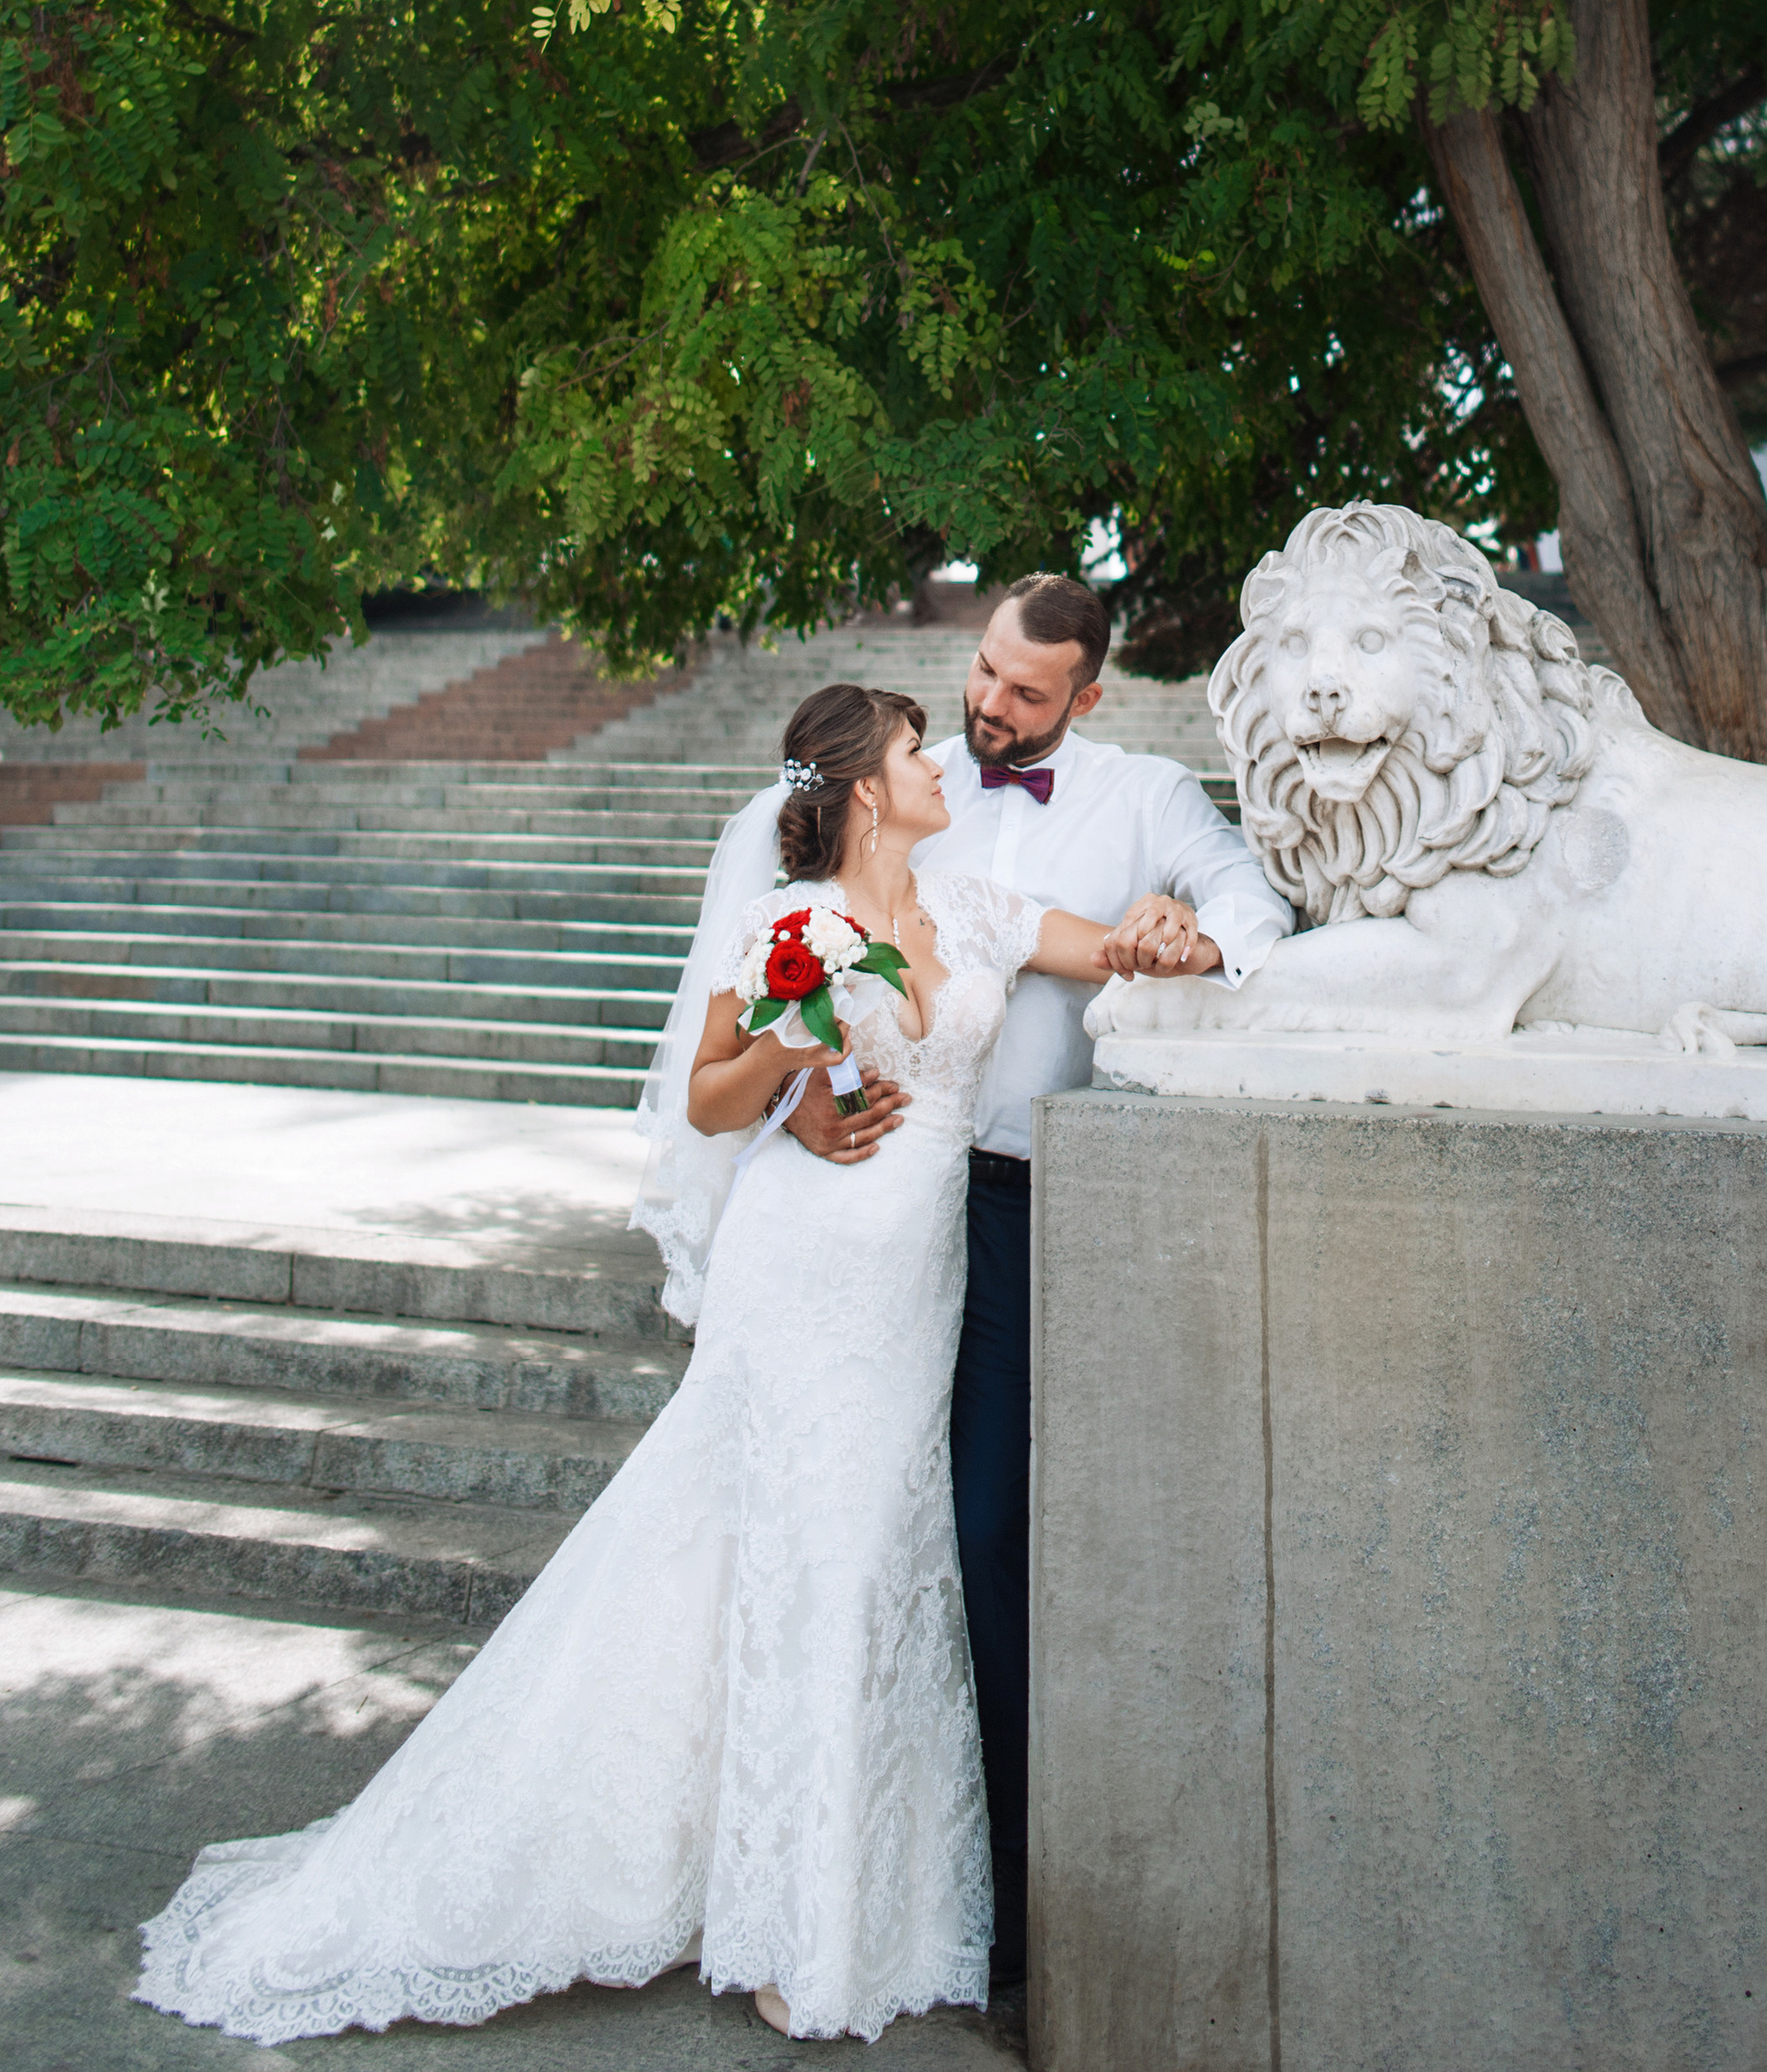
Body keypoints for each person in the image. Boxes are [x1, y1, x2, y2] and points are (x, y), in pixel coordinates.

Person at [136, 679, 1205, 2047]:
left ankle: (867, 1900)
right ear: (869, 788)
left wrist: (1166, 931)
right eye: (914, 750)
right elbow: (709, 1094)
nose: (941, 763)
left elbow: (1102, 944)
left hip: (912, 1275)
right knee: (803, 1552)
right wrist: (794, 1058)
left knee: (877, 1553)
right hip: (805, 1266)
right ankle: (780, 1920)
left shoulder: (978, 905)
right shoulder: (791, 924)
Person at [776, 575, 1292, 1977]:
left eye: (1025, 692)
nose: (989, 711)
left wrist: (1196, 936)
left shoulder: (1141, 795)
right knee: (867, 1521)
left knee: (987, 1532)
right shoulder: (902, 785)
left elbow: (1254, 903)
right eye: (985, 675)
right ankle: (834, 1857)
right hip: (874, 1207)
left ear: (1087, 697)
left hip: (1025, 1209)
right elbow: (796, 958)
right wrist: (792, 1106)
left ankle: (999, 1892)